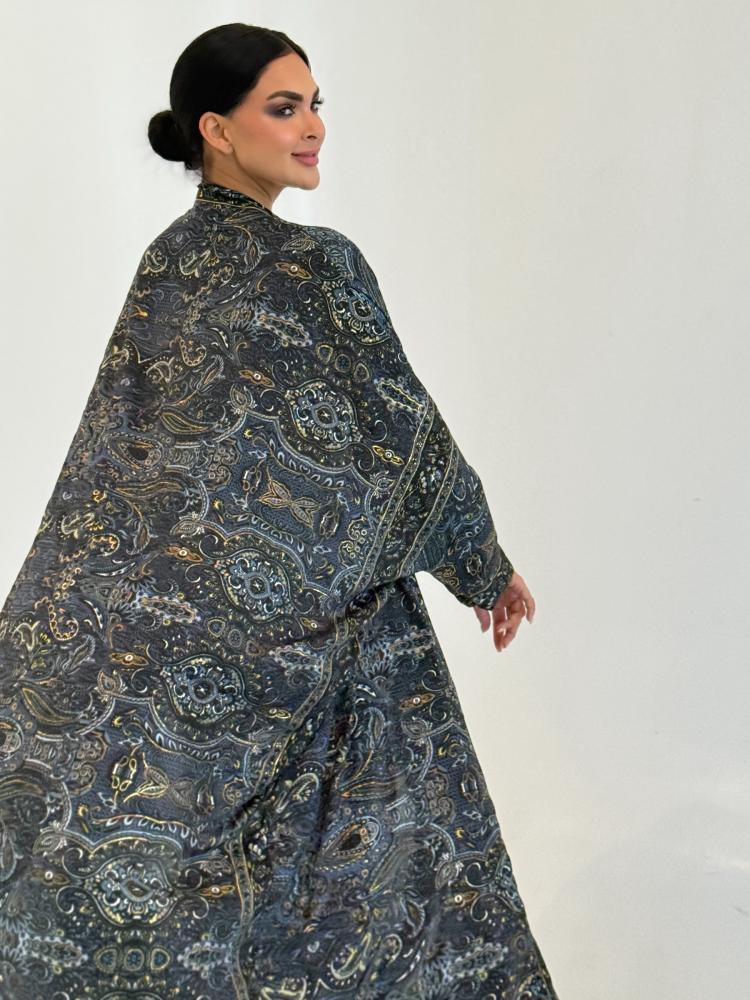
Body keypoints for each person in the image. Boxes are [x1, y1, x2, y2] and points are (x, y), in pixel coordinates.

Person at [0, 22, 559, 999]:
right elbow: (402, 439)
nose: (313, 128)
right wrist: (484, 565)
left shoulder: (167, 262)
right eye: (284, 107)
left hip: (183, 637)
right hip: (316, 634)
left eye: (315, 106)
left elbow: (124, 464)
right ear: (216, 130)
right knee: (375, 877)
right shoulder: (315, 263)